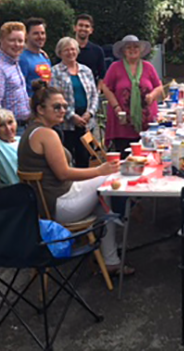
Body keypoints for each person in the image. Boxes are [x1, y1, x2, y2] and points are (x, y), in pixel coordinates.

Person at [17, 80, 130, 275]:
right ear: (40, 110)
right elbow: (64, 173)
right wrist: (100, 171)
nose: (62, 110)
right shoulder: (46, 134)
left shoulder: (32, 131)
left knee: (103, 199)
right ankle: (110, 252)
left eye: (64, 106)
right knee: (108, 182)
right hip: (58, 206)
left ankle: (108, 251)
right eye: (56, 106)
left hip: (44, 204)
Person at [102, 35, 164, 153]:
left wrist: (151, 96)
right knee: (125, 157)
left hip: (146, 122)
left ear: (140, 50)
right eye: (128, 47)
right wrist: (116, 107)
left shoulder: (148, 67)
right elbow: (106, 87)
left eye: (136, 47)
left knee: (147, 156)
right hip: (123, 122)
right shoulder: (115, 67)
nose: (132, 49)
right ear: (123, 51)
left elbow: (159, 86)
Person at [51, 37, 100, 167]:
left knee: (85, 156)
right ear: (60, 53)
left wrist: (90, 113)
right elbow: (55, 99)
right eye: (65, 50)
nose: (70, 52)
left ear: (77, 51)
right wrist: (72, 116)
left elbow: (95, 95)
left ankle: (84, 185)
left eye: (72, 49)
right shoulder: (55, 72)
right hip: (67, 122)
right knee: (67, 158)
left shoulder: (86, 70)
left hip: (86, 121)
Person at [0, 22, 31, 132]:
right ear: (1, 40)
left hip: (23, 126)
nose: (17, 44)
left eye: (20, 41)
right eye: (12, 40)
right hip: (10, 130)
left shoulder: (13, 62)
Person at [19, 17, 52, 97]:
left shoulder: (45, 57)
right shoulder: (22, 59)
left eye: (42, 33)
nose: (40, 37)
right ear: (26, 35)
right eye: (36, 33)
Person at [74, 14, 107, 83]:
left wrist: (98, 90)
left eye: (87, 26)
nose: (83, 28)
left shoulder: (97, 51)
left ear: (91, 30)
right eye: (80, 25)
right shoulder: (65, 49)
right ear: (75, 28)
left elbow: (102, 75)